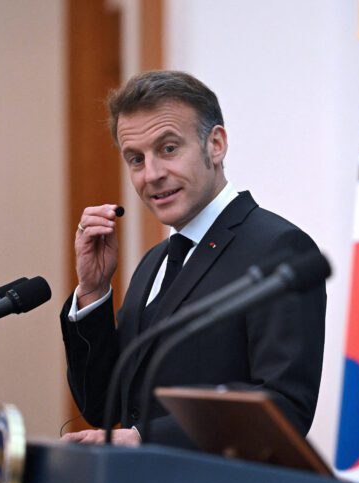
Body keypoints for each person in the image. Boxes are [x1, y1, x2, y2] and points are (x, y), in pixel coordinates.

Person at [60, 71, 326, 449]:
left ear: (215, 145)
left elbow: (285, 406)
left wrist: (145, 439)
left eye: (168, 149)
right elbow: (103, 407)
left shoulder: (278, 249)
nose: (152, 175)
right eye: (136, 159)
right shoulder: (153, 263)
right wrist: (93, 291)